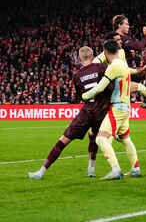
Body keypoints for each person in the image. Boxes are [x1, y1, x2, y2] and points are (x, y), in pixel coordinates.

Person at [28, 46, 117, 179]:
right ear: (93, 57)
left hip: (87, 112)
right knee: (95, 136)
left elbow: (81, 96)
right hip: (102, 111)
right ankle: (92, 168)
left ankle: (41, 171)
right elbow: (111, 86)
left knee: (64, 140)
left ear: (79, 59)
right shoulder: (101, 68)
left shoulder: (77, 76)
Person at [82, 39, 140, 180]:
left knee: (101, 139)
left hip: (118, 107)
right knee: (126, 139)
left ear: (106, 52)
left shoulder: (114, 66)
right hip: (126, 106)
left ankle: (115, 169)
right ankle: (135, 169)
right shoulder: (123, 64)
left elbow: (101, 87)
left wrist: (86, 95)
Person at [93, 33, 146, 109]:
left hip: (119, 83)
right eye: (117, 40)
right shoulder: (104, 54)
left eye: (120, 39)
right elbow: (94, 64)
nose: (121, 41)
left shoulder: (121, 52)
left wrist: (141, 69)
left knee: (138, 87)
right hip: (109, 85)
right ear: (111, 42)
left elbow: (126, 69)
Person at [112, 14, 146, 113]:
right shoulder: (119, 38)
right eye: (126, 24)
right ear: (119, 25)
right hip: (122, 72)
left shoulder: (124, 37)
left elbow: (132, 50)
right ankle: (145, 100)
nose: (128, 26)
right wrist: (145, 36)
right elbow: (138, 46)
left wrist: (131, 54)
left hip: (128, 69)